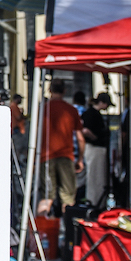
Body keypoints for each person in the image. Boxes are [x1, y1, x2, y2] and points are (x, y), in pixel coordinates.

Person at [40, 78, 85, 214]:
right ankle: (68, 231)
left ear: (50, 90)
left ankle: (41, 230)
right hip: (66, 155)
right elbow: (80, 138)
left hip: (45, 156)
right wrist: (81, 159)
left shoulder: (42, 109)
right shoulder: (71, 110)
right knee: (68, 197)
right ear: (65, 91)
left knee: (47, 197)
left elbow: (36, 133)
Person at [81, 93, 111, 207]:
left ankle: (96, 200)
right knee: (95, 177)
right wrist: (96, 138)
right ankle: (95, 201)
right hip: (94, 148)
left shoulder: (90, 113)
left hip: (93, 148)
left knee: (96, 176)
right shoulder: (92, 114)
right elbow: (85, 130)